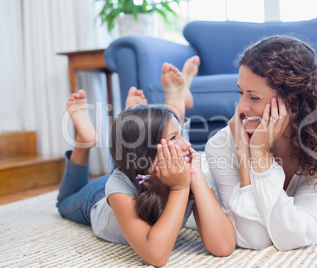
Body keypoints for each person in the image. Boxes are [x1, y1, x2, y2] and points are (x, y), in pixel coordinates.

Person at [56, 56, 236, 267]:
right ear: (148, 158)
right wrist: (179, 189)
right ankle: (83, 142)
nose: (188, 146)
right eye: (173, 139)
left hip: (139, 169)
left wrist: (196, 179)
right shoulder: (119, 186)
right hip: (98, 198)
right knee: (64, 201)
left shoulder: (185, 173)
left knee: (135, 156)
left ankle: (143, 114)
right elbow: (156, 256)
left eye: (180, 135)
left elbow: (223, 246)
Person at [205, 35, 317, 251]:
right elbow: (252, 239)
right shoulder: (221, 146)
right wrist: (246, 156)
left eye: (253, 97)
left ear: (292, 101)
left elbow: (298, 236)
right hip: (193, 182)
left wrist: (260, 154)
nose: (241, 107)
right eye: (241, 93)